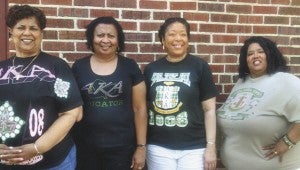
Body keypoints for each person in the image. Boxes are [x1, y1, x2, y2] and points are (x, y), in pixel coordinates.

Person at [0, 4, 83, 170]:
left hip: (53, 162)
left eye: (34, 28)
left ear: (41, 33)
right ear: (11, 31)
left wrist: (38, 147)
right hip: (7, 162)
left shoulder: (56, 67)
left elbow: (72, 113)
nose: (27, 33)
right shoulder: (2, 69)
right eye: (21, 27)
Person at [71, 16, 147, 170]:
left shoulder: (130, 67)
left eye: (111, 36)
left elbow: (140, 109)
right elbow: (72, 109)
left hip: (123, 149)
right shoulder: (79, 67)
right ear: (91, 38)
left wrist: (141, 147)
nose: (105, 40)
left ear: (118, 40)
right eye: (100, 35)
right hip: (86, 149)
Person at [143, 17, 219, 170]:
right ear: (162, 40)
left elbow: (209, 109)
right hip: (159, 146)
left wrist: (210, 146)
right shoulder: (151, 69)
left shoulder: (200, 66)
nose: (178, 38)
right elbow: (143, 108)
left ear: (188, 39)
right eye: (172, 34)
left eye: (183, 34)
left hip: (194, 147)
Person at [217, 36, 300, 170]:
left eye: (260, 52)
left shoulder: (286, 81)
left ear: (270, 54)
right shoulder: (241, 83)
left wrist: (288, 141)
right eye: (250, 54)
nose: (255, 56)